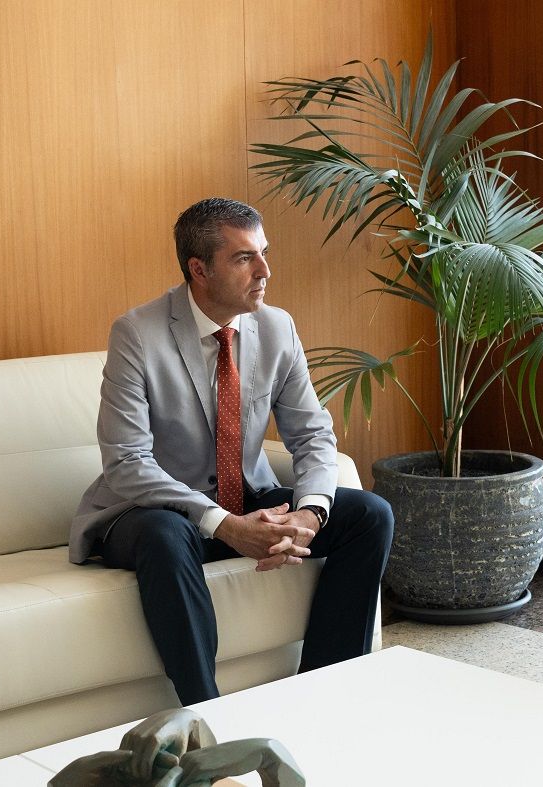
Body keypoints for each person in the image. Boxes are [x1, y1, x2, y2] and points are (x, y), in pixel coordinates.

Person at [70, 197, 393, 706]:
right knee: (163, 531)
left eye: (263, 252)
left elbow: (312, 434)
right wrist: (225, 524)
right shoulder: (137, 333)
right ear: (199, 269)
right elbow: (127, 462)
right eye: (245, 258)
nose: (265, 270)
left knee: (369, 514)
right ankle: (209, 717)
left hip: (248, 499)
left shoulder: (276, 327)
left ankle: (326, 694)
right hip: (153, 513)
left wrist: (308, 513)